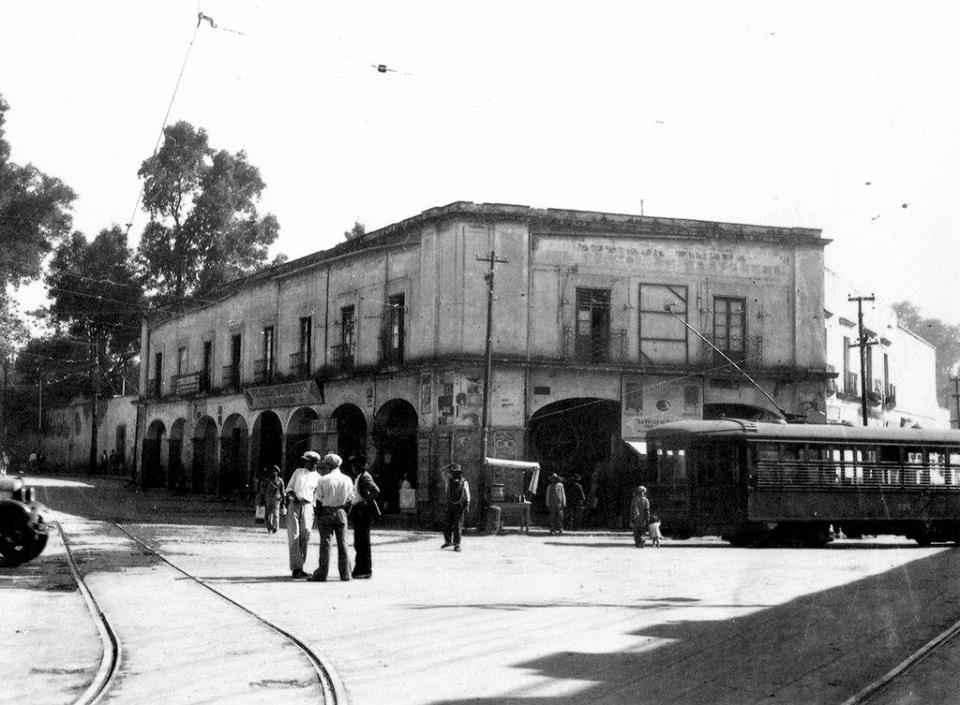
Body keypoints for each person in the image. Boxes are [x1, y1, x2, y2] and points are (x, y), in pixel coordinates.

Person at [310, 453, 355, 582]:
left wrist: (319, 516)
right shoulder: (347, 479)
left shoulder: (323, 480)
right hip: (341, 512)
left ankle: (322, 573)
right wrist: (344, 513)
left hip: (326, 512)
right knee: (343, 543)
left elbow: (319, 500)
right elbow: (350, 500)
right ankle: (345, 574)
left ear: (329, 466)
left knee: (325, 545)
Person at [285, 451, 322, 578]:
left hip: (308, 506)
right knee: (294, 536)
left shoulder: (319, 478)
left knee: (305, 535)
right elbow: (289, 488)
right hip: (294, 505)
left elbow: (318, 497)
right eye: (305, 461)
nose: (306, 463)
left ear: (315, 463)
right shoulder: (298, 472)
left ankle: (301, 565)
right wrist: (293, 495)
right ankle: (297, 568)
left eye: (308, 461)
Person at [350, 458, 380, 579]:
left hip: (362, 511)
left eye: (354, 465)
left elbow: (376, 491)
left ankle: (365, 569)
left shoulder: (365, 477)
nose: (352, 468)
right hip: (358, 510)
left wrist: (365, 501)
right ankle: (360, 568)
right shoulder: (359, 476)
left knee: (363, 541)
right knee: (359, 541)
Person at [441, 464, 470, 552]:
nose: (456, 474)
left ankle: (457, 544)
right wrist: (449, 466)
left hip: (459, 506)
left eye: (458, 472)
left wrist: (467, 505)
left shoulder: (464, 482)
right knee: (447, 524)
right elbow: (442, 471)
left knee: (458, 526)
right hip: (449, 505)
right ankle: (448, 541)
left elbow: (467, 494)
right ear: (452, 473)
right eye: (454, 472)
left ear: (460, 473)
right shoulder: (448, 480)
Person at [258, 465, 286, 534]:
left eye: (274, 471)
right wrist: (262, 498)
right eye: (272, 471)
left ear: (277, 472)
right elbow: (263, 490)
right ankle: (270, 527)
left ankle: (275, 528)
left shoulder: (280, 481)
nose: (273, 473)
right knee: (268, 515)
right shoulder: (267, 480)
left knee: (276, 514)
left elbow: (283, 492)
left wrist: (284, 500)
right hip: (268, 499)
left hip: (277, 500)